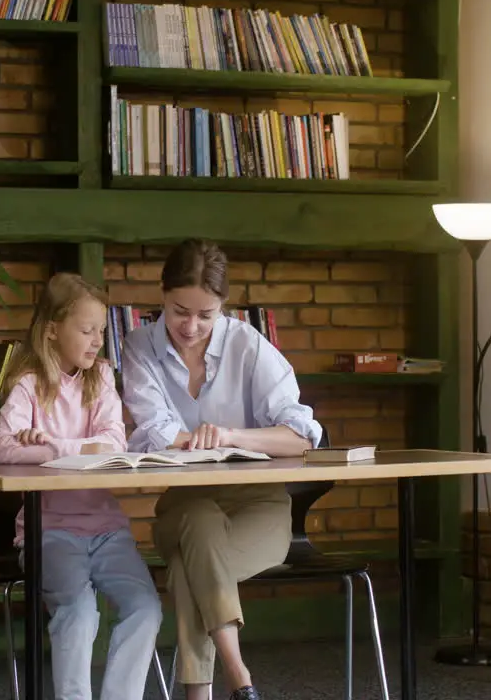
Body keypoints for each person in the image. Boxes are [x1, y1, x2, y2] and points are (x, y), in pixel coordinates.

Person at [121, 240, 322, 700]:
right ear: (162, 296)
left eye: (206, 315)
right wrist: (192, 439)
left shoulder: (248, 344)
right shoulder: (138, 347)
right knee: (198, 525)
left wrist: (231, 436)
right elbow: (157, 429)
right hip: (183, 504)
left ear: (223, 308)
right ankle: (241, 678)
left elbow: (301, 434)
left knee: (190, 568)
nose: (191, 327)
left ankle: (202, 695)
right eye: (179, 311)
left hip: (261, 506)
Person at [0, 272, 163, 700]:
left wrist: (50, 445)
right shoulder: (28, 386)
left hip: (107, 529)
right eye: (86, 331)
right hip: (48, 531)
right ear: (52, 330)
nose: (96, 341)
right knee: (80, 611)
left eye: (101, 331)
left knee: (146, 608)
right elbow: (2, 450)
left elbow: (113, 445)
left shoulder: (102, 377)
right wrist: (71, 450)